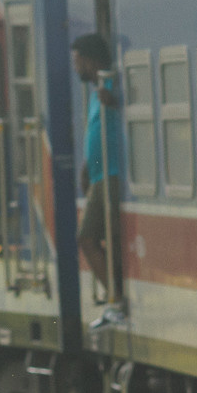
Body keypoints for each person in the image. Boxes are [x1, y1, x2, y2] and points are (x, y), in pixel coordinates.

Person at [72, 32, 125, 313]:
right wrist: (86, 169)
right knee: (108, 237)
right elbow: (98, 132)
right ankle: (117, 293)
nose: (75, 67)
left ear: (90, 61)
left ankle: (116, 298)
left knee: (87, 238)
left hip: (111, 174)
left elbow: (122, 116)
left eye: (78, 61)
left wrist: (115, 101)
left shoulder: (110, 86)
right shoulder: (96, 92)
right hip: (99, 176)